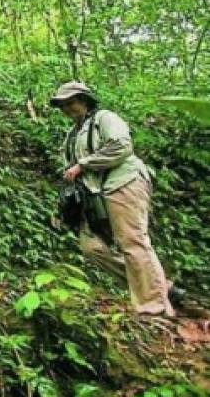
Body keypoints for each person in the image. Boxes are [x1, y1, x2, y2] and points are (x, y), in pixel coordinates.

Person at [50, 81, 179, 317]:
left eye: (71, 102)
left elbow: (121, 146)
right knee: (92, 248)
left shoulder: (105, 118)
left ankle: (154, 307)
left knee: (133, 241)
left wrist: (84, 164)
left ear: (84, 100)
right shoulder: (74, 133)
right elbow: (72, 171)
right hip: (93, 193)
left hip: (124, 180)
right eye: (63, 105)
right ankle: (160, 286)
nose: (67, 108)